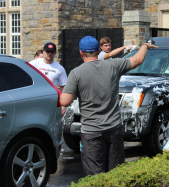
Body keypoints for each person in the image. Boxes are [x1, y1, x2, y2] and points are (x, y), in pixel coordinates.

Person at [60, 36, 158, 176]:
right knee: (115, 175)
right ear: (99, 50)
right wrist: (144, 46)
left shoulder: (76, 73)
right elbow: (138, 60)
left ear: (81, 53)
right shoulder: (114, 65)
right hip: (114, 130)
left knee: (95, 177)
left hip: (91, 133)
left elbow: (65, 101)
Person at [30, 42, 68, 116]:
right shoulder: (35, 63)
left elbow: (64, 88)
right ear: (43, 52)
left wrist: (63, 106)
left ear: (55, 53)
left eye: (52, 52)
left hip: (51, 100)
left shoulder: (60, 68)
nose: (49, 54)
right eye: (47, 51)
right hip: (35, 99)